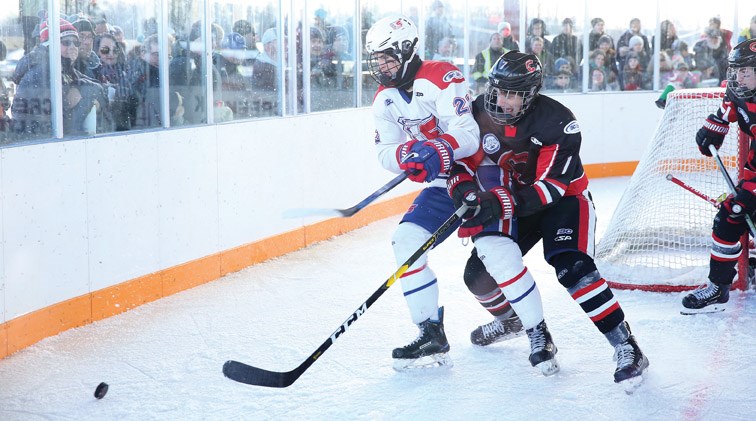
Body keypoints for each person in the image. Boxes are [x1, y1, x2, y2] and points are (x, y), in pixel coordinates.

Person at [447, 50, 650, 386]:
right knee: (477, 275)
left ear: (531, 95)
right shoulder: (479, 110)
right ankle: (513, 321)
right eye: (498, 90)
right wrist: (464, 191)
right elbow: (462, 161)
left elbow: (550, 190)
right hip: (513, 199)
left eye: (513, 94)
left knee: (573, 269)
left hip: (564, 201)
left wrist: (496, 204)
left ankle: (627, 346)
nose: (502, 101)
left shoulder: (559, 122)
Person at [364, 15, 482, 370]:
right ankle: (430, 332)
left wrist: (437, 148)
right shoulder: (384, 100)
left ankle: (530, 325)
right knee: (405, 241)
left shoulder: (441, 76)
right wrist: (406, 155)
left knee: (496, 257)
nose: (381, 65)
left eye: (387, 56)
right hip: (443, 184)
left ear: (407, 49)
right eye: (377, 59)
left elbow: (469, 135)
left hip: (482, 176)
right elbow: (385, 151)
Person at [683, 39, 756, 313]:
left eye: (745, 72)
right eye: (735, 70)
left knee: (741, 207)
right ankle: (719, 287)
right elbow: (724, 114)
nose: (737, 78)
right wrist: (712, 130)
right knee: (730, 214)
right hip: (754, 174)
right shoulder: (740, 93)